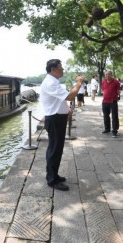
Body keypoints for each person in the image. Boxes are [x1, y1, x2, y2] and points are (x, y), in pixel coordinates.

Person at [40, 59, 84, 191]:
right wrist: (78, 83)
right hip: (54, 119)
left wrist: (66, 109)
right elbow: (70, 96)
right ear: (53, 69)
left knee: (57, 148)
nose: (62, 70)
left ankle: (54, 174)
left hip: (58, 118)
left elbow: (60, 100)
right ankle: (52, 180)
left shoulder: (54, 82)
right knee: (54, 149)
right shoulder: (50, 83)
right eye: (60, 68)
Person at [101, 70, 121, 137]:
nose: (107, 76)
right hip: (105, 101)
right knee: (105, 116)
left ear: (111, 75)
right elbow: (103, 90)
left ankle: (114, 131)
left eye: (109, 74)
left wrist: (116, 97)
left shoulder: (116, 82)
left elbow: (118, 91)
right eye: (106, 74)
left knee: (114, 116)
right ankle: (107, 129)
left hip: (113, 101)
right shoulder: (103, 82)